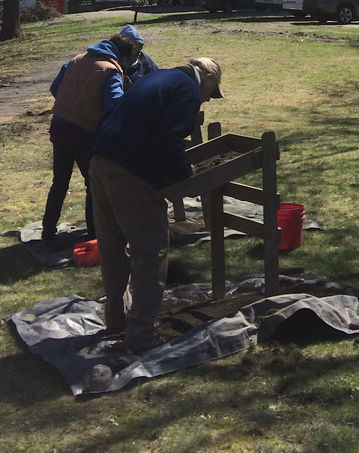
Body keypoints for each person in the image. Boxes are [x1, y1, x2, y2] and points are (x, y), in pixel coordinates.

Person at [89, 56, 224, 354]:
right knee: (151, 252)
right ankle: (142, 337)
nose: (207, 100)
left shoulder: (156, 78)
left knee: (112, 249)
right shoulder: (188, 89)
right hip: (129, 171)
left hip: (100, 161)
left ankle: (117, 321)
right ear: (207, 77)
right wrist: (184, 176)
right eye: (210, 93)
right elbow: (167, 139)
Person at [41, 33, 136, 244]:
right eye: (126, 59)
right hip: (83, 133)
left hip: (59, 127)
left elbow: (55, 88)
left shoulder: (75, 60)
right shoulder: (110, 70)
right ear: (121, 56)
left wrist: (73, 103)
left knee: (59, 182)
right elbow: (115, 105)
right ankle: (95, 233)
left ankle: (47, 232)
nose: (126, 64)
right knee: (93, 184)